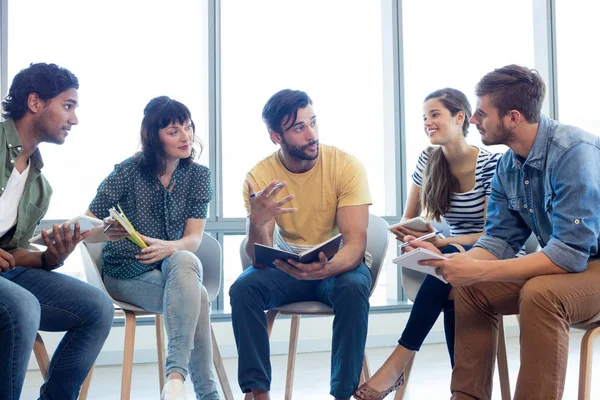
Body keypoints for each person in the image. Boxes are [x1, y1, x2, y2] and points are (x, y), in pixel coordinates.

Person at [412, 64, 600, 400]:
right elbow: (499, 239)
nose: (473, 119)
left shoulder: (574, 153)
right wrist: (462, 265)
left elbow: (569, 255)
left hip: (592, 264)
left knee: (541, 294)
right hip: (570, 264)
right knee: (471, 287)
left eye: (482, 112)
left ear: (512, 118)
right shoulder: (508, 164)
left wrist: (480, 267)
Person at [354, 88, 502, 400]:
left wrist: (445, 241)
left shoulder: (490, 163)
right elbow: (409, 218)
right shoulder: (428, 159)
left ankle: (398, 362)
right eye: (424, 117)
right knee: (449, 276)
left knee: (447, 266)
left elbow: (493, 232)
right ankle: (463, 390)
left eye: (435, 115)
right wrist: (413, 238)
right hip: (449, 252)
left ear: (459, 117)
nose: (427, 122)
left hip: (490, 251)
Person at [229, 89, 373, 400]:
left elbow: (355, 245)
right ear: (275, 136)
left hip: (335, 268)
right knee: (243, 288)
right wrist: (257, 221)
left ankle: (343, 394)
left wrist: (325, 268)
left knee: (354, 288)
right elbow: (259, 259)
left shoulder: (346, 166)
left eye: (313, 123)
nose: (311, 135)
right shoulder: (260, 177)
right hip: (286, 269)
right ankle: (259, 394)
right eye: (298, 128)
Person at [84, 96, 218, 400]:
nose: (186, 137)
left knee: (183, 256)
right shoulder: (128, 171)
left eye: (187, 127)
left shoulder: (199, 176)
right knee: (194, 296)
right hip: (126, 272)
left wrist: (167, 248)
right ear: (153, 139)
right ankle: (206, 394)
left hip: (174, 267)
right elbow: (88, 225)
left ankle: (174, 381)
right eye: (173, 131)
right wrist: (107, 229)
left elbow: (193, 239)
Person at [0, 63, 115, 400]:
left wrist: (49, 258)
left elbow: (15, 255)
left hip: (7, 275)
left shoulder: (39, 186)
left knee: (97, 307)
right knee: (22, 306)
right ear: (35, 103)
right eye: (68, 106)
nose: (74, 119)